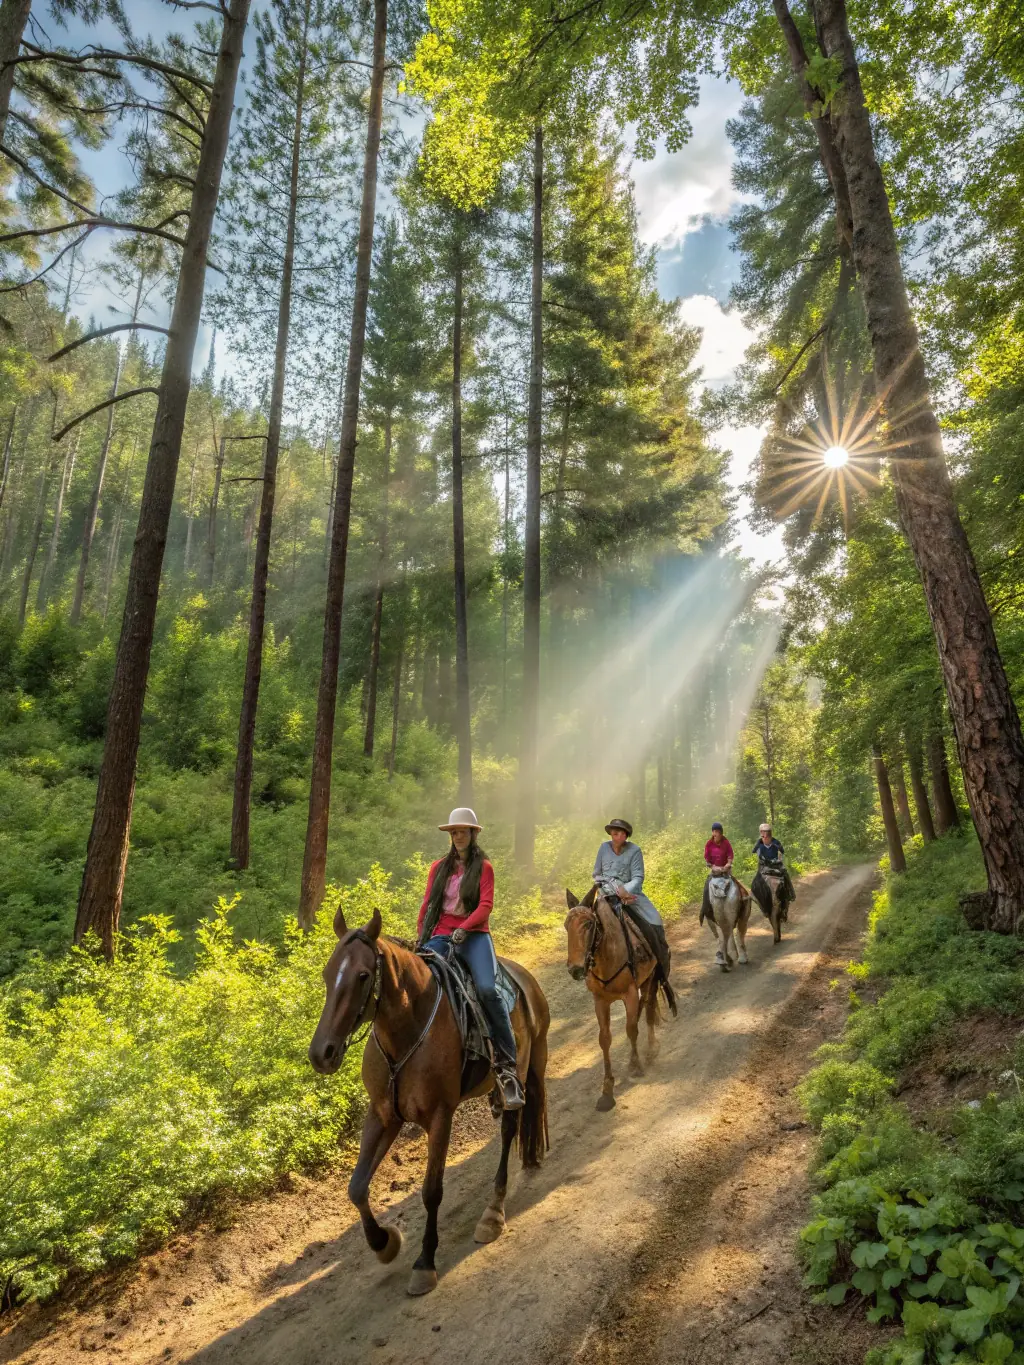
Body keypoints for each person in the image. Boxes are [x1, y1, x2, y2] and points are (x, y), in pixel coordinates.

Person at [417, 807, 524, 1109]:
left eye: (462, 831)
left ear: (473, 834)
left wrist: (464, 929)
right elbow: (427, 906)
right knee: (422, 986)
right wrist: (422, 939)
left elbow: (485, 906)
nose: (457, 836)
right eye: (453, 832)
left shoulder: (484, 867)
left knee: (488, 991)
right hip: (440, 934)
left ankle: (507, 1067)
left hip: (474, 935)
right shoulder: (438, 868)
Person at [593, 819, 677, 1015]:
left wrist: (624, 891)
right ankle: (587, 965)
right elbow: (596, 873)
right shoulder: (603, 849)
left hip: (630, 896)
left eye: (622, 834)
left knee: (654, 922)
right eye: (615, 833)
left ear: (626, 836)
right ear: (611, 834)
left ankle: (661, 966)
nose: (618, 837)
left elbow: (638, 877)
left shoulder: (635, 851)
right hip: (606, 895)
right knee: (584, 923)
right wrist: (606, 887)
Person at [751, 822, 795, 915]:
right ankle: (759, 901)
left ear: (770, 833)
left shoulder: (775, 842)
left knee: (785, 875)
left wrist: (778, 853)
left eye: (767, 833)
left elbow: (782, 851)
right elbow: (754, 852)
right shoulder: (759, 843)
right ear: (761, 833)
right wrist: (759, 845)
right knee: (756, 882)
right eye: (763, 833)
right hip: (764, 866)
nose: (765, 836)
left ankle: (790, 893)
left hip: (776, 864)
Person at [701, 821, 734, 924]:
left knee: (736, 886)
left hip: (726, 870)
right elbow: (707, 859)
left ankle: (743, 903)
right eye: (714, 831)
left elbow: (730, 854)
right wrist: (713, 866)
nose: (715, 834)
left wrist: (728, 863)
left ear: (721, 833)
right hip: (715, 871)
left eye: (717, 831)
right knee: (706, 888)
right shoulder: (709, 844)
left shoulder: (726, 842)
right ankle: (704, 910)